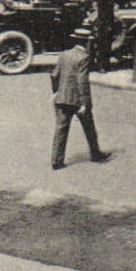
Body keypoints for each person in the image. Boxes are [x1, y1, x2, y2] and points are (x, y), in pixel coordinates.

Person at [51, 29, 109, 169]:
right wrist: (84, 103)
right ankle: (95, 154)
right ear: (87, 42)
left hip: (62, 97)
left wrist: (56, 92)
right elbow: (81, 81)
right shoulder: (84, 57)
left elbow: (54, 75)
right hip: (77, 100)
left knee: (61, 129)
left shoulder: (64, 55)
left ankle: (56, 161)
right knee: (89, 127)